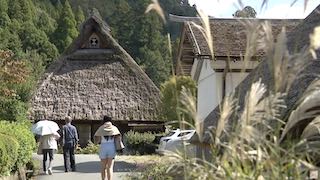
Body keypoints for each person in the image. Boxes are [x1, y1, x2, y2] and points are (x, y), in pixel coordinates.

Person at [94, 115, 122, 180]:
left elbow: (97, 138)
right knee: (110, 167)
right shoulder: (114, 128)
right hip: (111, 146)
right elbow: (118, 137)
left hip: (103, 146)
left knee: (103, 167)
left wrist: (98, 142)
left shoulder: (101, 128)